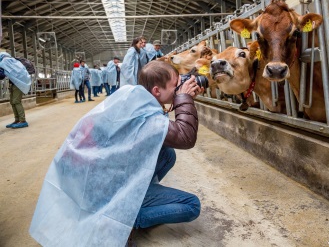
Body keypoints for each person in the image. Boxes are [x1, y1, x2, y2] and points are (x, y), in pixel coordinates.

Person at [29, 60, 203, 246]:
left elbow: (162, 133)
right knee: (192, 206)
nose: (179, 88)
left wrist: (181, 98)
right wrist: (184, 99)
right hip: (105, 189)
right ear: (156, 91)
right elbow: (185, 138)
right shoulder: (146, 119)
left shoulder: (131, 96)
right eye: (175, 85)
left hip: (93, 179)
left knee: (167, 154)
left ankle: (134, 201)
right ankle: (120, 219)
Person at [0, 52, 31, 129]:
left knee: (16, 101)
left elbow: (1, 75)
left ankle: (23, 121)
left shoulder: (5, 62)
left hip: (19, 83)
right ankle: (17, 120)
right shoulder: (12, 61)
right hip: (15, 83)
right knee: (12, 102)